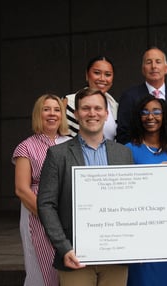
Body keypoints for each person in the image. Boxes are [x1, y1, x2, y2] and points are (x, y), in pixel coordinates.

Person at [37, 88, 133, 286]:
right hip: (75, 255)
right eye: (86, 108)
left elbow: (130, 202)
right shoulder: (57, 154)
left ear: (107, 114)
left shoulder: (123, 154)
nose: (92, 113)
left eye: (98, 108)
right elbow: (46, 204)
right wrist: (64, 247)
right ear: (75, 113)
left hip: (116, 255)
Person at [12, 94, 70, 286]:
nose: (52, 114)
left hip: (68, 217)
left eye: (56, 110)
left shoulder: (71, 144)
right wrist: (49, 217)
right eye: (46, 109)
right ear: (38, 114)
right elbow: (21, 189)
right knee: (41, 273)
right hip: (36, 216)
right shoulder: (26, 147)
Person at [125, 95, 167, 286]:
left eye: (157, 111)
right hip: (142, 231)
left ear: (164, 116)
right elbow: (124, 192)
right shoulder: (128, 150)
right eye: (145, 112)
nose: (151, 117)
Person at [116, 47, 167, 148]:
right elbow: (123, 135)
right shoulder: (129, 97)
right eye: (148, 62)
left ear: (166, 68)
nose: (153, 66)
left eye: (158, 62)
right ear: (143, 69)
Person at [63, 56, 118, 139]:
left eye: (108, 74)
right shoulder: (68, 102)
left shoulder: (115, 106)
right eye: (97, 73)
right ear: (87, 75)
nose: (102, 78)